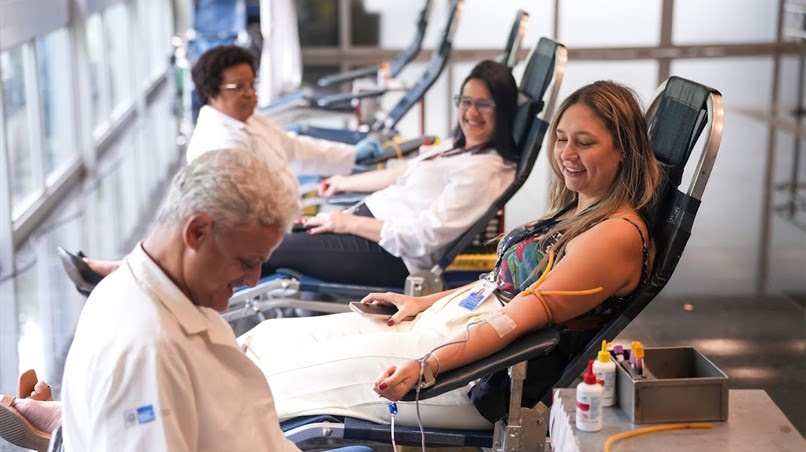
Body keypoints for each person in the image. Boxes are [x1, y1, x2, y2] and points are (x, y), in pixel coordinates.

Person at [236, 80, 664, 428]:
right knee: (268, 338)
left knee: (273, 383)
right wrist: (422, 303)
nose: (567, 155)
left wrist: (427, 365)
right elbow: (499, 285)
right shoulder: (580, 208)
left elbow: (513, 321)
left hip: (476, 370)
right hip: (455, 327)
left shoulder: (615, 236)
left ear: (623, 149)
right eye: (563, 139)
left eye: (585, 143)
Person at [63, 59, 521, 289]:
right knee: (250, 233)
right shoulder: (457, 151)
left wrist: (345, 220)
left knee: (258, 245)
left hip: (389, 255)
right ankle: (135, 269)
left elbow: (423, 238)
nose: (471, 113)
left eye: (484, 104)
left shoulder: (486, 171)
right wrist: (344, 185)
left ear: (502, 111)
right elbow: (400, 176)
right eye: (465, 101)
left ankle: (130, 275)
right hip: (364, 225)